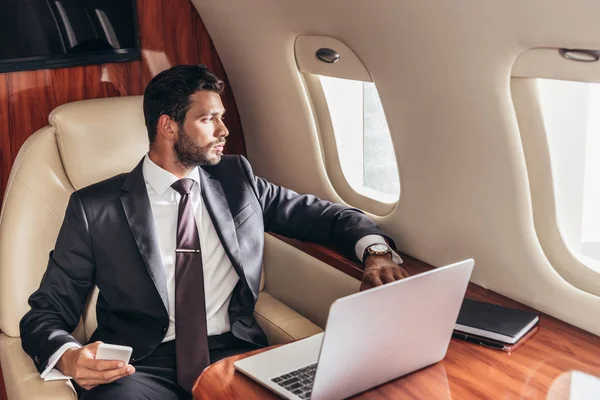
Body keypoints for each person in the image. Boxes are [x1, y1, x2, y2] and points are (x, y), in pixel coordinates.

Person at [19, 65, 408, 399]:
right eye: (208, 119)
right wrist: (69, 355)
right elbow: (46, 313)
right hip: (140, 368)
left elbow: (326, 217)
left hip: (234, 354)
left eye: (221, 117)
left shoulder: (238, 180)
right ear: (168, 127)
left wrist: (375, 251)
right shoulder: (94, 207)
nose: (224, 130)